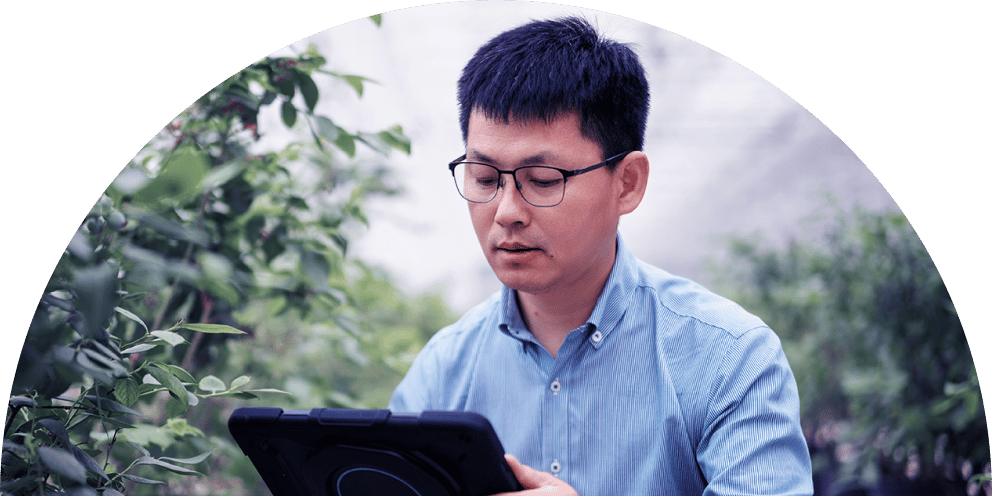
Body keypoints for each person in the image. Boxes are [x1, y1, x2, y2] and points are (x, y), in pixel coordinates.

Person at [389, 16, 813, 496]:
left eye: (543, 179)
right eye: (484, 178)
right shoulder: (443, 369)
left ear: (627, 183)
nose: (506, 212)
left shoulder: (729, 358)